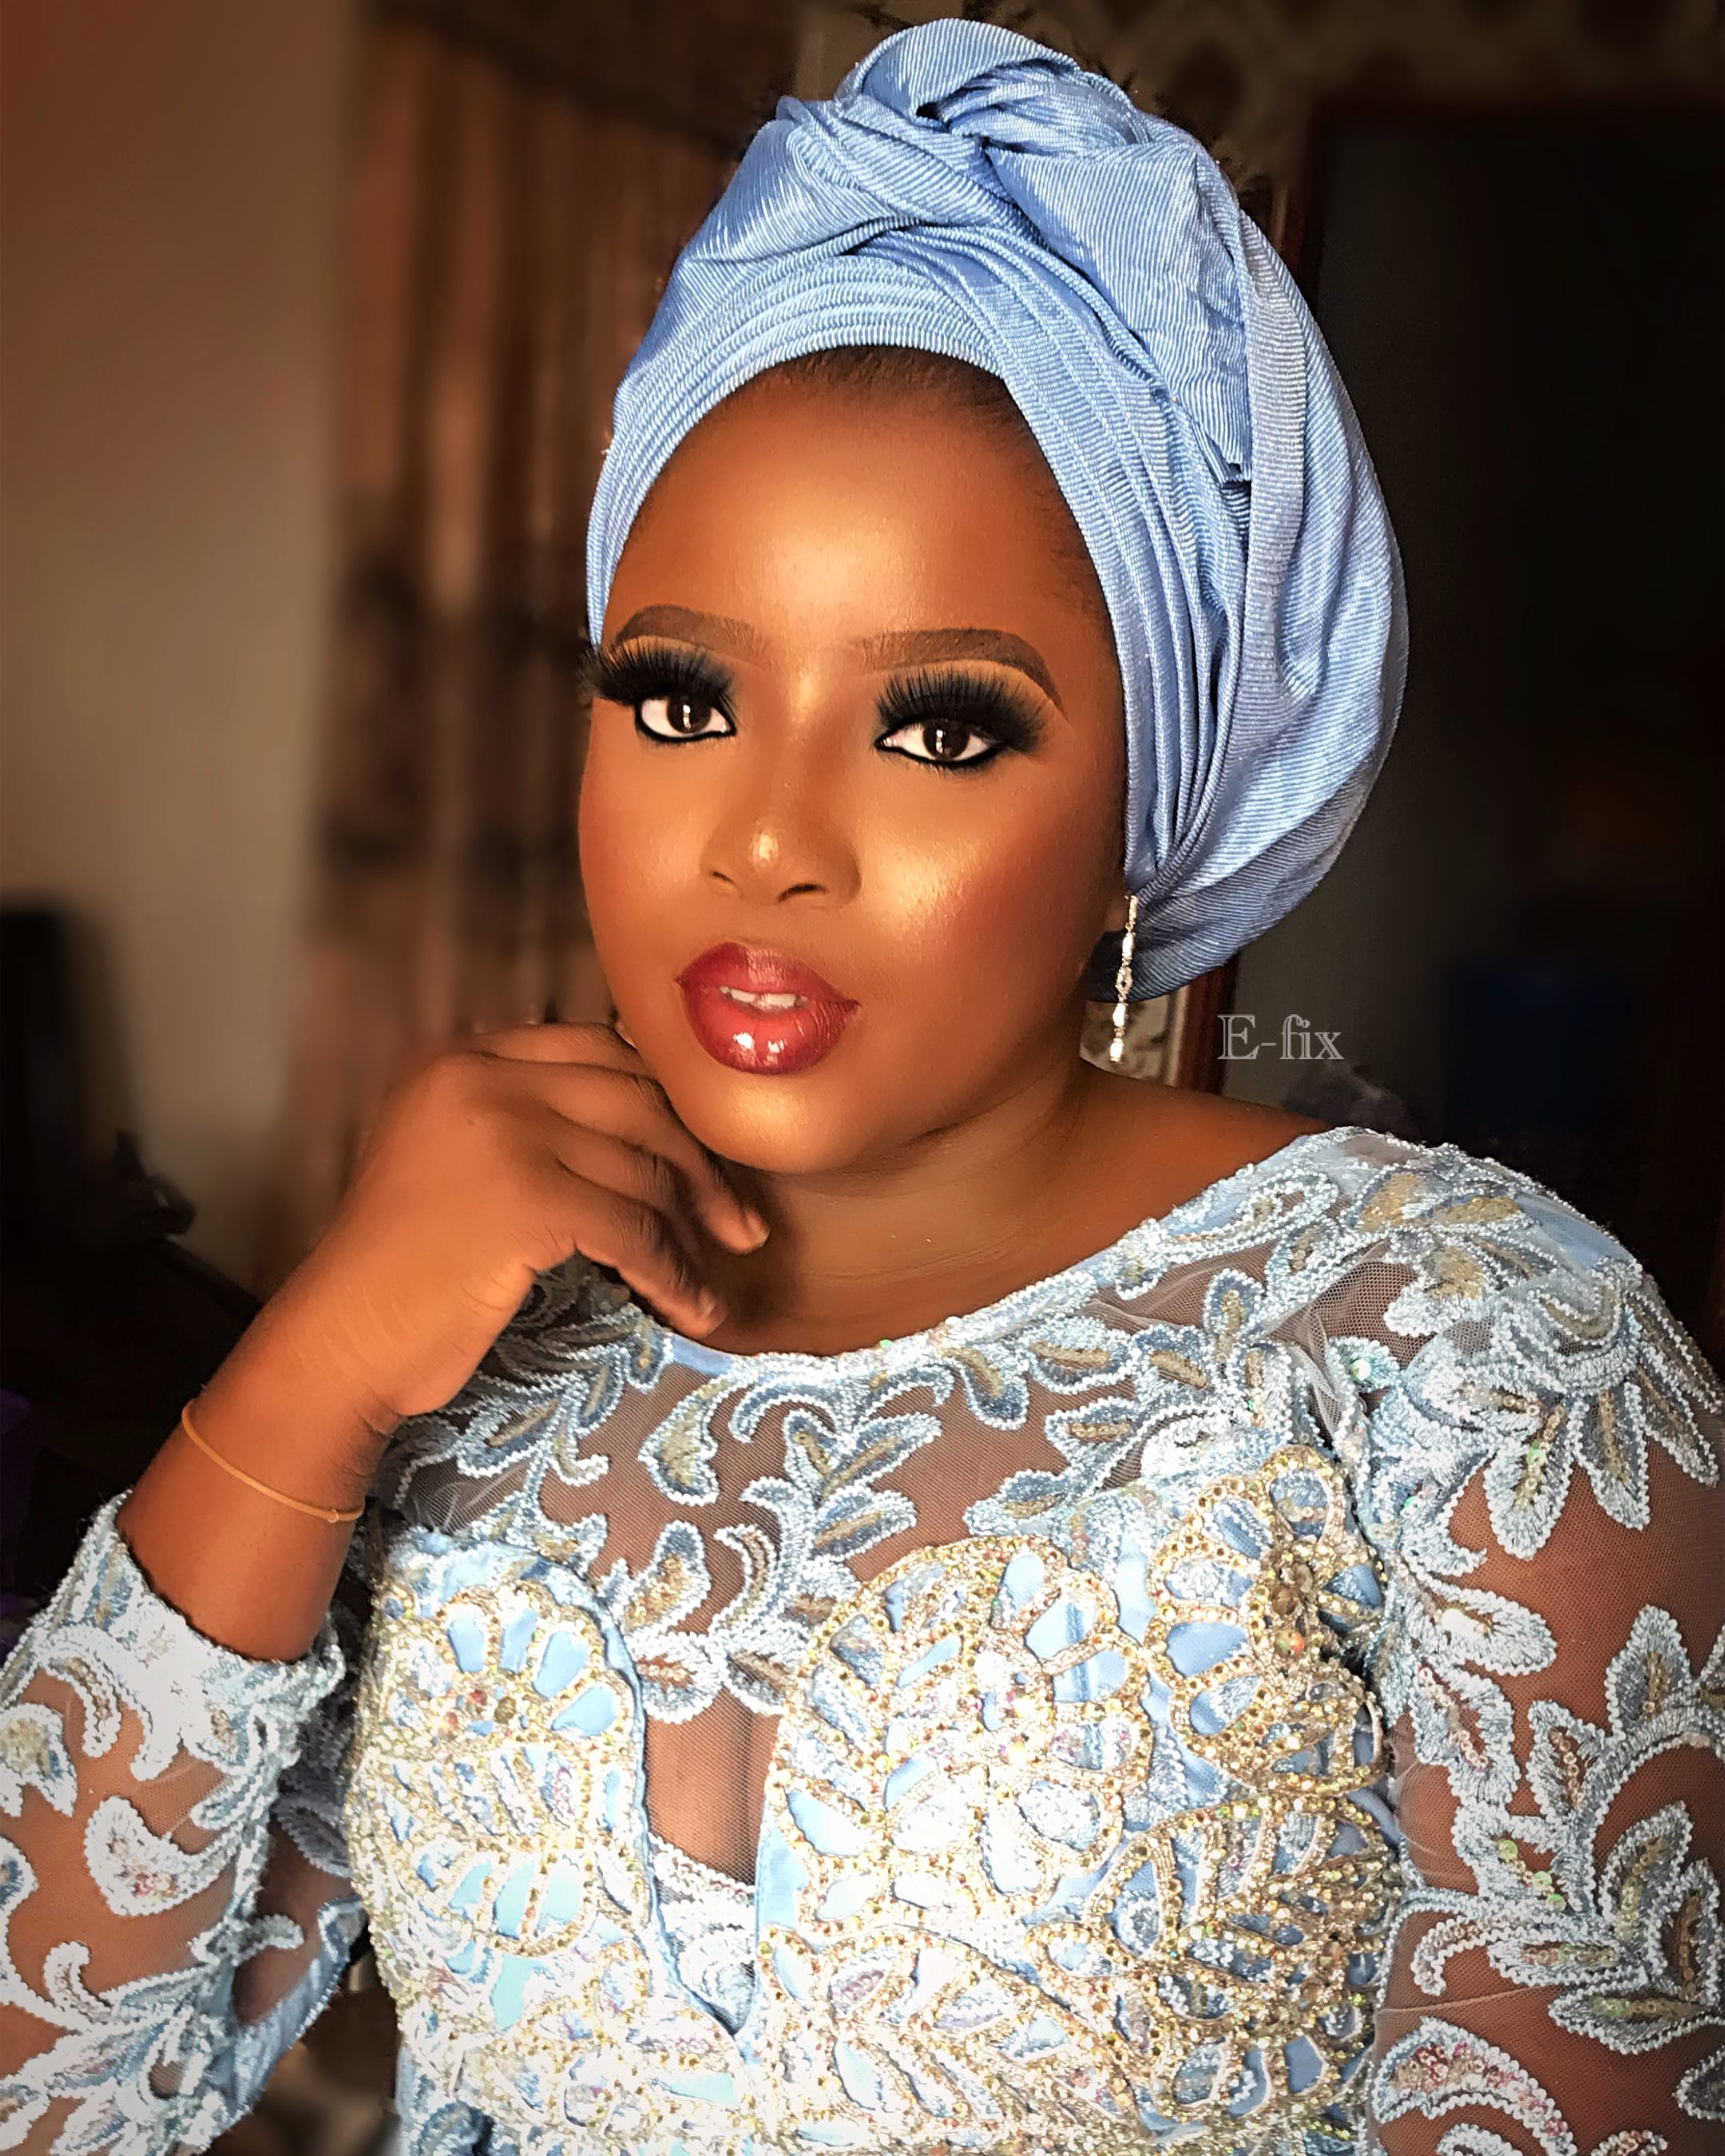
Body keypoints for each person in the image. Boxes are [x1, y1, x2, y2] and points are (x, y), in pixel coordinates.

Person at [2, 20, 1719, 2156]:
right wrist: (311, 1366)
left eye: (942, 729)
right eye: (681, 695)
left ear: (1148, 805)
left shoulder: (1471, 1353)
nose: (766, 839)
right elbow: (50, 2086)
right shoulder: (472, 1341)